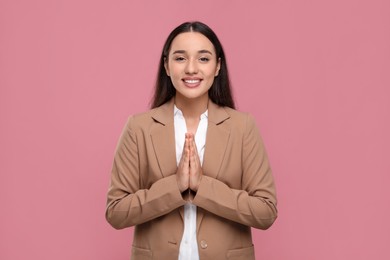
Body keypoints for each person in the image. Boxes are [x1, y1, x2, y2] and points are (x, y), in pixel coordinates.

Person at [105, 21, 277, 260]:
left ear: (217, 67)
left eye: (204, 59)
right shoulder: (138, 128)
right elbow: (116, 211)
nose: (192, 68)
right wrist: (174, 187)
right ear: (166, 65)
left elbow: (266, 211)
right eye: (180, 58)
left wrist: (202, 186)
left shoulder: (242, 127)